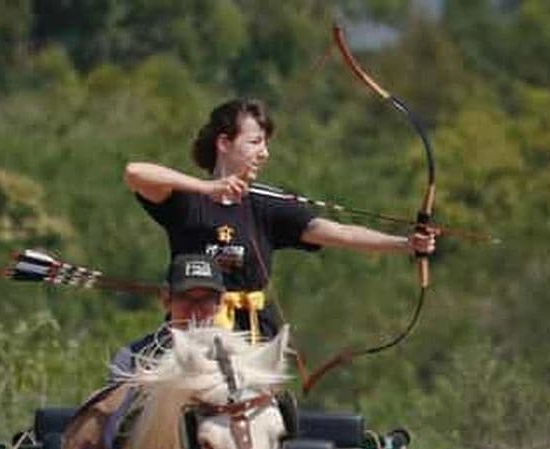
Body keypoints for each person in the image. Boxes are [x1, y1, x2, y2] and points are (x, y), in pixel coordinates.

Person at [124, 98, 436, 341]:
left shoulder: (267, 204)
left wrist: (407, 244)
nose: (264, 153)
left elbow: (340, 232)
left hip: (254, 339)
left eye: (265, 143)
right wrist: (208, 187)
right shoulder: (186, 200)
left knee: (278, 417)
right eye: (255, 142)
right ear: (224, 143)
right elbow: (135, 172)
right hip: (191, 333)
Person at [109, 252, 225, 380]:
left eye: (206, 300)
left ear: (220, 302)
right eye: (185, 298)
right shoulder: (131, 358)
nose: (195, 310)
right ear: (166, 299)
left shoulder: (237, 358)